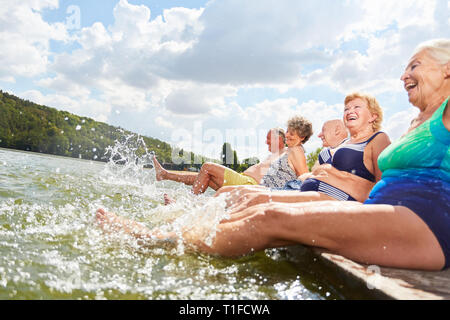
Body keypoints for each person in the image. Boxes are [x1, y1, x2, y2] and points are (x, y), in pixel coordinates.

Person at [96, 39, 450, 271]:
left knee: (269, 218)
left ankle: (155, 242)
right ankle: (177, 227)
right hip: (387, 211)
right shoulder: (419, 121)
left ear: (447, 69)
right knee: (254, 203)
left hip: (428, 221)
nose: (404, 74)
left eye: (415, 65)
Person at [219, 94, 390, 210]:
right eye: (346, 108)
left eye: (356, 107)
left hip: (332, 200)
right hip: (306, 190)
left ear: (373, 116)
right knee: (227, 193)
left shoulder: (378, 139)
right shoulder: (344, 144)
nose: (349, 111)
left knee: (247, 199)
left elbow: (382, 188)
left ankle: (199, 241)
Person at [152, 128, 287, 195]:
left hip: (248, 184)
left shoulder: (287, 152)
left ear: (279, 139)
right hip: (242, 180)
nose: (266, 142)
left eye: (269, 139)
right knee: (203, 177)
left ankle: (189, 203)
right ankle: (164, 175)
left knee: (207, 167)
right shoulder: (274, 155)